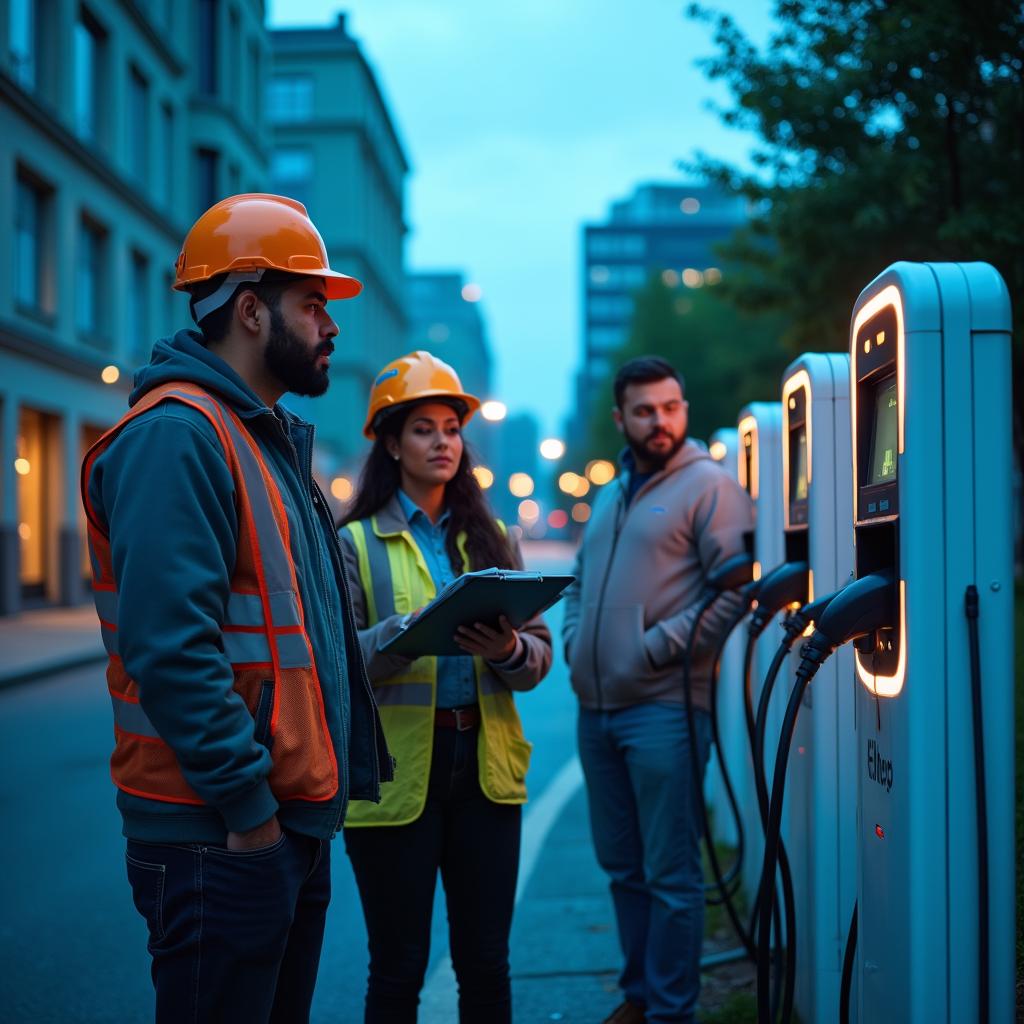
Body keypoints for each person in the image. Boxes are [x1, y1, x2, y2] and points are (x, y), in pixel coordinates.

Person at [81, 193, 392, 1024]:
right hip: (219, 830)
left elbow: (294, 631)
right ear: (251, 311)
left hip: (275, 820)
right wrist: (251, 814)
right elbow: (171, 649)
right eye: (313, 305)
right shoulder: (178, 435)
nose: (331, 327)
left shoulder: (261, 437)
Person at [338, 350, 553, 1024]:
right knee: (398, 967)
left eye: (452, 428)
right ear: (391, 442)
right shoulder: (353, 543)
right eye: (425, 428)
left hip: (484, 776)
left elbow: (540, 660)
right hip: (398, 776)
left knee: (486, 963)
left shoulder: (491, 539)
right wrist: (406, 634)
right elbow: (336, 669)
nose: (443, 442)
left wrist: (511, 649)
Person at [562, 356, 755, 1024]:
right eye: (644, 410)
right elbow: (582, 583)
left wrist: (655, 649)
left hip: (665, 708)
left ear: (684, 410)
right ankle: (639, 998)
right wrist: (573, 638)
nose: (659, 421)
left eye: (670, 407)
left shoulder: (710, 487)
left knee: (671, 875)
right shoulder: (613, 495)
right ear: (621, 419)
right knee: (623, 868)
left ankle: (672, 1010)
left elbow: (735, 592)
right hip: (597, 710)